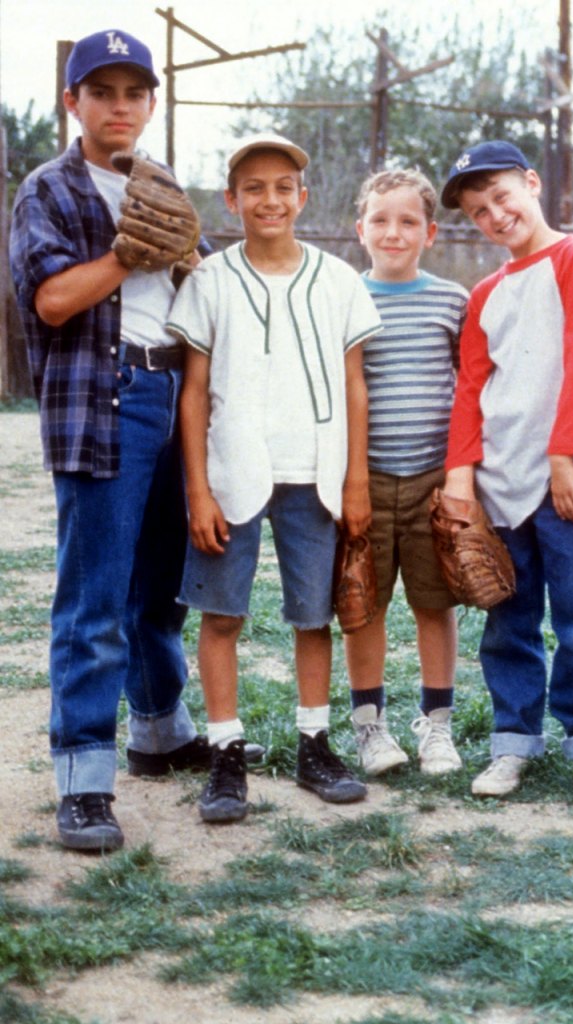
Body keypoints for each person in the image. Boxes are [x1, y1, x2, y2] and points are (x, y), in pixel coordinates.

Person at [10, 28, 216, 851]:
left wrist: (196, 261)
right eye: (103, 92)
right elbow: (53, 300)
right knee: (94, 597)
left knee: (159, 586)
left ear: (152, 103)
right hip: (107, 393)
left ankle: (159, 730)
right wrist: (130, 250)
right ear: (74, 102)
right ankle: (82, 775)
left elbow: (193, 276)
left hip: (172, 387)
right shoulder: (48, 187)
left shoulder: (158, 181)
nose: (120, 106)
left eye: (135, 92)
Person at [168, 133, 378, 824]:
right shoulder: (211, 280)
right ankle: (227, 752)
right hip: (233, 472)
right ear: (231, 200)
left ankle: (313, 743)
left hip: (314, 470)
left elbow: (355, 387)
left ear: (302, 196)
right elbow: (194, 393)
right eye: (253, 188)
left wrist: (354, 482)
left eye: (283, 186)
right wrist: (197, 488)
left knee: (312, 614)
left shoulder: (337, 278)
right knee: (222, 612)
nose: (269, 199)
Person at [438, 141, 573, 799]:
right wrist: (461, 474)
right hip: (499, 478)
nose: (495, 213)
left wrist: (564, 454)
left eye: (502, 196)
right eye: (478, 210)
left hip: (567, 474)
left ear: (533, 184)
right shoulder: (485, 292)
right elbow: (470, 388)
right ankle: (513, 739)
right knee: (508, 614)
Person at [345, 168, 469, 778]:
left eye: (408, 221)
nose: (393, 233)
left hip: (432, 479)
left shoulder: (451, 300)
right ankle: (369, 726)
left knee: (433, 601)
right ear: (359, 228)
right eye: (380, 220)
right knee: (362, 603)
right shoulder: (341, 297)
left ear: (431, 232)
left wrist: (457, 474)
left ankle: (437, 727)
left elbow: (467, 389)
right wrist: (348, 478)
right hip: (362, 477)